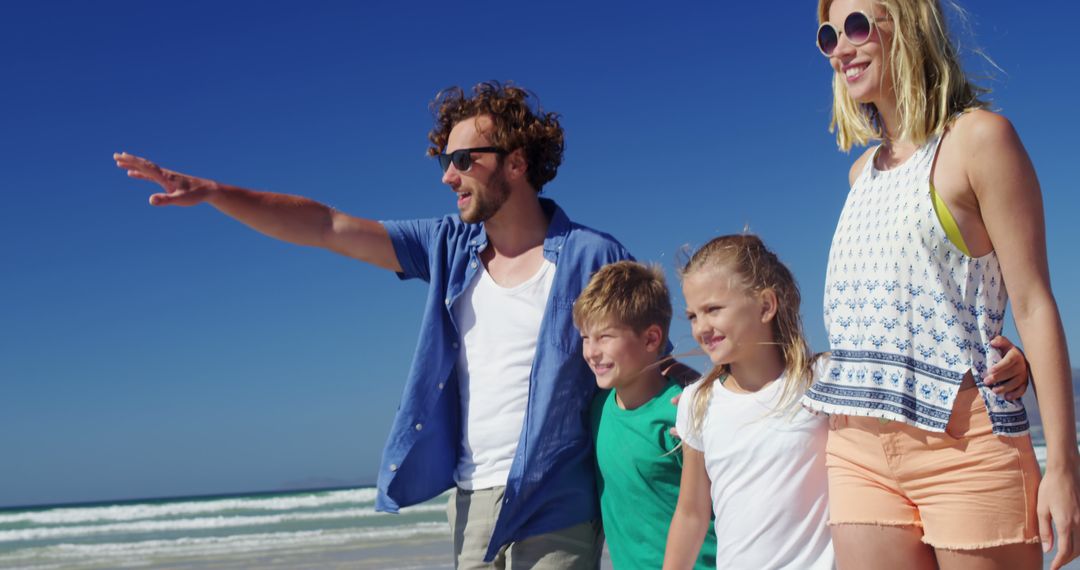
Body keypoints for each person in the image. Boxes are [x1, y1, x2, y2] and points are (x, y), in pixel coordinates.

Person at [114, 82, 632, 569]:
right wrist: (213, 192)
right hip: (472, 498)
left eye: (461, 160)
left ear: (516, 162)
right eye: (444, 161)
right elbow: (327, 226)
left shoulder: (593, 257)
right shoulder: (447, 247)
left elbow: (642, 361)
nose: (447, 177)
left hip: (558, 498)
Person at [801, 2, 1080, 569]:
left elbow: (1033, 301)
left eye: (857, 27)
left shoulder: (980, 140)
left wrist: (1065, 472)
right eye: (829, 36)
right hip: (857, 451)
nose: (840, 49)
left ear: (908, 27)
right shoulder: (861, 175)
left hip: (968, 447)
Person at [663, 234, 835, 569]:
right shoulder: (698, 402)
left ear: (766, 306)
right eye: (693, 316)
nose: (701, 327)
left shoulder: (822, 380)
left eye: (713, 309)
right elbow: (691, 514)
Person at [573, 261, 717, 569]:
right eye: (586, 337)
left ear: (652, 339)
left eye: (605, 337)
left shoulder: (681, 411)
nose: (591, 351)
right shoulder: (597, 409)